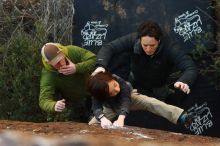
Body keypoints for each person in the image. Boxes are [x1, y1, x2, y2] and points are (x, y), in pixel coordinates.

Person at [92, 20, 198, 103]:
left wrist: (184, 81)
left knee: (159, 106)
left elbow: (190, 67)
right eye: (145, 45)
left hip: (158, 84)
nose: (148, 49)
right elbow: (109, 47)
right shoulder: (133, 39)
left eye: (152, 45)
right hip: (135, 78)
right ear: (140, 39)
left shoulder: (170, 47)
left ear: (159, 41)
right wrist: (100, 65)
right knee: (125, 99)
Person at [87, 72, 194, 129]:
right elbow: (96, 107)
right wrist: (102, 118)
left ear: (113, 79)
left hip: (129, 98)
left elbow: (125, 100)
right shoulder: (97, 92)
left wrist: (121, 117)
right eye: (112, 92)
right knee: (92, 126)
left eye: (115, 85)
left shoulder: (117, 79)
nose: (116, 89)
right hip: (110, 107)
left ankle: (180, 115)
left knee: (150, 102)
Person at [39, 43, 96, 121]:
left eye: (61, 58)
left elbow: (94, 60)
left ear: (61, 51)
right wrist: (54, 105)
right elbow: (44, 100)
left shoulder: (71, 51)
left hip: (95, 90)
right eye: (56, 63)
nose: (61, 64)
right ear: (48, 62)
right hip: (76, 103)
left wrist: (77, 68)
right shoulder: (49, 75)